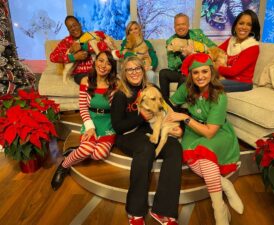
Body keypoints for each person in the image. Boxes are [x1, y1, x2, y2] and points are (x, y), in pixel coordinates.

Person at [167, 53, 244, 225]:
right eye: (196, 73)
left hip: (217, 132)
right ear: (191, 75)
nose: (200, 76)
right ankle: (224, 184)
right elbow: (169, 105)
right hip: (193, 131)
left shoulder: (220, 95)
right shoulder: (187, 88)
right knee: (188, 156)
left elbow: (210, 132)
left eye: (204, 71)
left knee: (204, 155)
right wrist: (170, 120)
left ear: (211, 72)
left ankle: (219, 208)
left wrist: (184, 118)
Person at [111, 56, 182, 225]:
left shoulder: (153, 89)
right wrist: (140, 117)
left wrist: (178, 128)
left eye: (138, 68)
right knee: (146, 148)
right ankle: (135, 211)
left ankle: (163, 210)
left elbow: (166, 109)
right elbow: (118, 126)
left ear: (143, 71)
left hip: (152, 131)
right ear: (124, 73)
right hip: (127, 135)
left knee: (174, 149)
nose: (134, 72)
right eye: (130, 69)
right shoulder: (121, 95)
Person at [51, 51, 118, 191]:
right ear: (95, 62)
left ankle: (76, 151)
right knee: (87, 149)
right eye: (101, 60)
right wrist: (90, 127)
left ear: (112, 67)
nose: (104, 65)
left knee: (98, 154)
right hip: (91, 121)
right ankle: (63, 166)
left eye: (108, 63)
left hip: (107, 123)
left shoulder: (115, 84)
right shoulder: (85, 81)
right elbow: (82, 106)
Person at [159, 13, 216, 100]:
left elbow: (213, 47)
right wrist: (183, 55)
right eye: (178, 25)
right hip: (180, 70)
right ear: (174, 27)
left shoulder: (197, 34)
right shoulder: (171, 41)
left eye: (183, 24)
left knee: (185, 78)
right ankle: (166, 103)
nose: (180, 27)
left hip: (196, 70)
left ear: (188, 25)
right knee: (163, 73)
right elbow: (171, 65)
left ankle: (176, 105)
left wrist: (197, 50)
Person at [50, 15, 120, 85]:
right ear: (68, 30)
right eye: (70, 27)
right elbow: (53, 57)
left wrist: (83, 46)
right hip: (81, 74)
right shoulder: (66, 42)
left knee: (115, 83)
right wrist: (73, 57)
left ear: (80, 24)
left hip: (98, 70)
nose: (73, 28)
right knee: (89, 82)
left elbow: (104, 48)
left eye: (75, 25)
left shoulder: (89, 35)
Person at [215, 9, 261, 92]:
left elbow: (233, 71)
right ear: (236, 25)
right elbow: (216, 51)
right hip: (226, 78)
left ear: (252, 28)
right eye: (241, 23)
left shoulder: (253, 47)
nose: (243, 27)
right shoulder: (231, 40)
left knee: (208, 85)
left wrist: (217, 67)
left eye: (249, 25)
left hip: (242, 82)